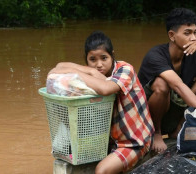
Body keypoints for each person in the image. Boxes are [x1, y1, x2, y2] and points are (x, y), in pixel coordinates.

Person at [48, 31, 154, 174]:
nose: (99, 65)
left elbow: (106, 88)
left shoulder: (125, 69)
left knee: (101, 171)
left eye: (104, 58)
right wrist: (89, 72)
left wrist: (80, 74)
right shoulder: (91, 74)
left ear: (112, 55)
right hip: (110, 140)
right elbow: (57, 68)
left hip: (134, 141)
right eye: (92, 59)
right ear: (86, 60)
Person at [137, 8, 196, 153]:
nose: (194, 38)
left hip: (175, 113)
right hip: (148, 117)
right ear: (172, 35)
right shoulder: (155, 55)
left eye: (195, 33)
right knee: (161, 84)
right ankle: (157, 133)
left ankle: (179, 130)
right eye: (187, 33)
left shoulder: (195, 55)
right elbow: (178, 85)